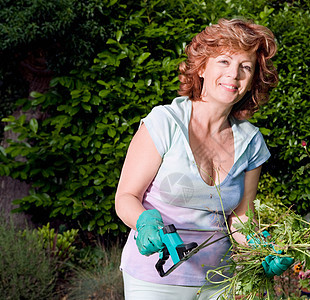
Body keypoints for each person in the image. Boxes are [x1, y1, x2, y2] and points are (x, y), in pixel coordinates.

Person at [115, 18, 292, 300]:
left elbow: (241, 217)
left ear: (252, 80)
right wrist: (144, 221)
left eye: (245, 67)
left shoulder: (251, 142)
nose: (233, 75)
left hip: (219, 281)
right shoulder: (165, 123)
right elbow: (126, 196)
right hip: (155, 279)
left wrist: (261, 248)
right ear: (202, 68)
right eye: (224, 62)